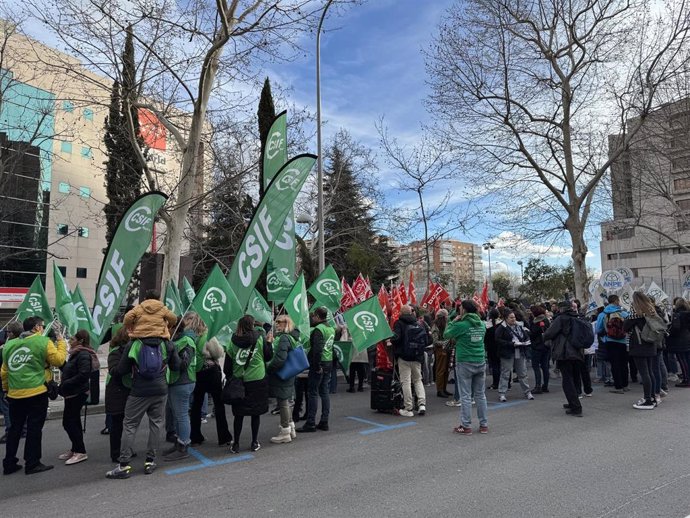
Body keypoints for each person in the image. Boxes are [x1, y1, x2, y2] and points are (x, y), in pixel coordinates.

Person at [106, 329, 180, 479]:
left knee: (130, 425)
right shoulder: (167, 343)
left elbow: (121, 370)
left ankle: (124, 465)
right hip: (160, 389)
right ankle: (150, 461)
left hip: (138, 391)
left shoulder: (134, 344)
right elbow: (177, 366)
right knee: (156, 424)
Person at [2, 317, 67, 475]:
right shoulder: (42, 342)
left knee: (14, 429)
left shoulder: (9, 345)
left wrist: (6, 390)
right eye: (42, 326)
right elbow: (59, 360)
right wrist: (60, 340)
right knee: (34, 429)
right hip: (36, 392)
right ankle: (32, 463)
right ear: (37, 327)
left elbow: (4, 372)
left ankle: (9, 463)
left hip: (15, 393)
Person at [225, 315, 272, 452]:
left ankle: (236, 443)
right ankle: (254, 442)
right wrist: (269, 343)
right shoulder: (260, 338)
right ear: (252, 325)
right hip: (257, 379)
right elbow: (268, 357)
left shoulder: (232, 342)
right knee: (255, 413)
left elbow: (227, 367)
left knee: (238, 415)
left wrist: (231, 378)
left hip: (239, 382)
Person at [444, 300, 488, 435]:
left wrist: (453, 321)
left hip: (465, 362)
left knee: (466, 395)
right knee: (480, 395)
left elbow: (446, 334)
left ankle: (466, 425)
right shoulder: (482, 325)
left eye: (460, 309)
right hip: (480, 360)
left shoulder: (461, 325)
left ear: (464, 310)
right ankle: (483, 425)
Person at [164, 312, 203, 461]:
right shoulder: (178, 339)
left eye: (169, 327)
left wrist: (171, 351)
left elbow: (183, 364)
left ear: (175, 328)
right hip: (177, 382)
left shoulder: (186, 341)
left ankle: (184, 445)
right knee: (177, 414)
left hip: (183, 382)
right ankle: (179, 442)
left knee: (181, 415)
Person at [58, 329, 98, 465]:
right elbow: (71, 370)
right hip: (71, 393)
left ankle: (80, 451)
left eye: (72, 339)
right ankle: (75, 448)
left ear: (80, 341)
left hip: (77, 393)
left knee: (68, 422)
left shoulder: (83, 354)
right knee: (73, 421)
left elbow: (84, 374)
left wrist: (65, 384)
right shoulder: (75, 354)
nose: (70, 341)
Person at [543, 301, 588, 416]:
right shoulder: (578, 318)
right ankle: (573, 402)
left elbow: (549, 333)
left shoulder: (561, 319)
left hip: (565, 352)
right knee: (574, 378)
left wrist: (544, 336)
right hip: (578, 351)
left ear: (561, 308)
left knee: (567, 381)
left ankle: (576, 407)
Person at [299, 307, 336, 432]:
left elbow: (317, 350)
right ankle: (324, 421)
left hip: (319, 364)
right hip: (328, 362)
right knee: (324, 392)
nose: (312, 318)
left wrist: (316, 365)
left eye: (313, 316)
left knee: (313, 393)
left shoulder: (318, 330)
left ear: (318, 317)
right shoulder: (331, 329)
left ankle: (310, 422)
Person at [190, 337, 231, 447]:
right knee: (218, 404)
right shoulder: (207, 336)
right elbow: (218, 353)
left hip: (198, 372)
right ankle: (224, 437)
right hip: (211, 372)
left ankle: (195, 436)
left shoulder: (191, 337)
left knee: (196, 405)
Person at [266, 316, 300, 444]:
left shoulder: (284, 338)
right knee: (285, 401)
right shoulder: (290, 337)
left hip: (282, 374)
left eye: (279, 322)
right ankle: (290, 428)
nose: (276, 324)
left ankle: (285, 432)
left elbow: (280, 358)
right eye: (276, 322)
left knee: (283, 402)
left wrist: (269, 368)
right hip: (288, 373)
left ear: (286, 323)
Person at [391, 305, 428, 417]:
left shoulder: (399, 323)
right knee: (418, 380)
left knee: (406, 381)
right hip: (417, 356)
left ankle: (408, 408)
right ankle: (422, 404)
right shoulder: (419, 323)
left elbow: (396, 338)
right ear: (411, 312)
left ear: (401, 313)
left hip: (404, 356)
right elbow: (426, 340)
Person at [624, 292, 659, 410]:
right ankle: (653, 397)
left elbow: (625, 327)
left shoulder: (635, 314)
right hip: (651, 344)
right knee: (650, 372)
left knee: (644, 373)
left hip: (639, 345)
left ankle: (647, 400)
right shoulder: (651, 311)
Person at [105, 326, 132, 463]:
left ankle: (126, 449)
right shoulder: (116, 352)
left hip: (126, 390)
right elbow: (115, 371)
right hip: (116, 392)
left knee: (128, 423)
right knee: (117, 425)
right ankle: (115, 453)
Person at [495, 310, 534, 402]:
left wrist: (525, 341)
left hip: (519, 350)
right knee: (505, 373)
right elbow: (498, 340)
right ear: (506, 318)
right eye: (511, 317)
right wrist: (511, 344)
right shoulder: (501, 327)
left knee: (522, 372)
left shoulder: (519, 326)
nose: (513, 319)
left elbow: (526, 335)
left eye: (514, 317)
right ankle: (502, 393)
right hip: (507, 352)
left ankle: (527, 392)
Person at [596, 295, 630, 394]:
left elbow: (598, 329)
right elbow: (628, 327)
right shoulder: (623, 313)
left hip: (609, 341)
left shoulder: (603, 314)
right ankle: (625, 385)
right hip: (623, 341)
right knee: (623, 363)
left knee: (614, 364)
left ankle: (618, 386)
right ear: (617, 301)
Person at [0, 324, 22, 445]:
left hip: (9, 383)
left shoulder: (7, 347)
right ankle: (22, 429)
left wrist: (4, 387)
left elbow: (4, 370)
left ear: (12, 334)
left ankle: (10, 431)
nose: (6, 333)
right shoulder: (24, 345)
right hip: (20, 382)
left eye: (8, 331)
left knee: (6, 407)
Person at [528, 305, 551, 394]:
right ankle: (545, 386)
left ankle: (538, 386)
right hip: (546, 346)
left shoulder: (535, 322)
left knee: (536, 366)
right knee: (545, 366)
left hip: (537, 347)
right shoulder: (546, 320)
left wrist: (528, 332)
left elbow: (532, 334)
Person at [667, 298, 690, 387]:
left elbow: (676, 328)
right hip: (687, 337)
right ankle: (687, 377)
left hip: (680, 340)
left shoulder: (678, 314)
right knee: (687, 360)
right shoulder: (688, 313)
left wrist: (669, 332)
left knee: (682, 360)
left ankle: (686, 379)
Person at [432, 309, 452, 399]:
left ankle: (444, 388)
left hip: (447, 349)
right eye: (446, 316)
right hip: (440, 350)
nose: (447, 317)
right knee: (441, 370)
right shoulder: (436, 326)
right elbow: (435, 341)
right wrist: (445, 342)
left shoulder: (446, 325)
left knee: (446, 370)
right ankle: (439, 390)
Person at [484, 309, 501, 391]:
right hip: (500, 346)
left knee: (495, 365)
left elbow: (485, 338)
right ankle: (507, 383)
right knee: (502, 365)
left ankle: (495, 383)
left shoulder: (487, 325)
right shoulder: (501, 324)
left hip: (491, 347)